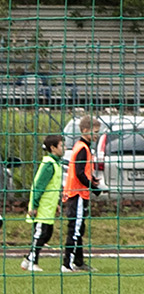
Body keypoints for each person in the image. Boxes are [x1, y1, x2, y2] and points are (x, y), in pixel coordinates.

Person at [60, 116, 100, 273]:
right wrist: (93, 187)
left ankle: (78, 261)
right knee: (75, 229)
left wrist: (93, 179)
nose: (97, 135)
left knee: (79, 228)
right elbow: (79, 173)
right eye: (95, 132)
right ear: (85, 131)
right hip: (76, 194)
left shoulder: (83, 146)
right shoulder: (82, 148)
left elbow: (84, 171)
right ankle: (67, 264)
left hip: (78, 194)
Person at [21, 133, 65, 272]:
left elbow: (52, 187)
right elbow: (38, 186)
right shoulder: (48, 165)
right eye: (61, 145)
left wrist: (56, 204)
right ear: (53, 148)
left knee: (47, 234)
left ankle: (28, 259)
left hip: (48, 207)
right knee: (40, 234)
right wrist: (33, 205)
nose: (63, 148)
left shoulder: (55, 164)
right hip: (41, 208)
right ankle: (32, 262)